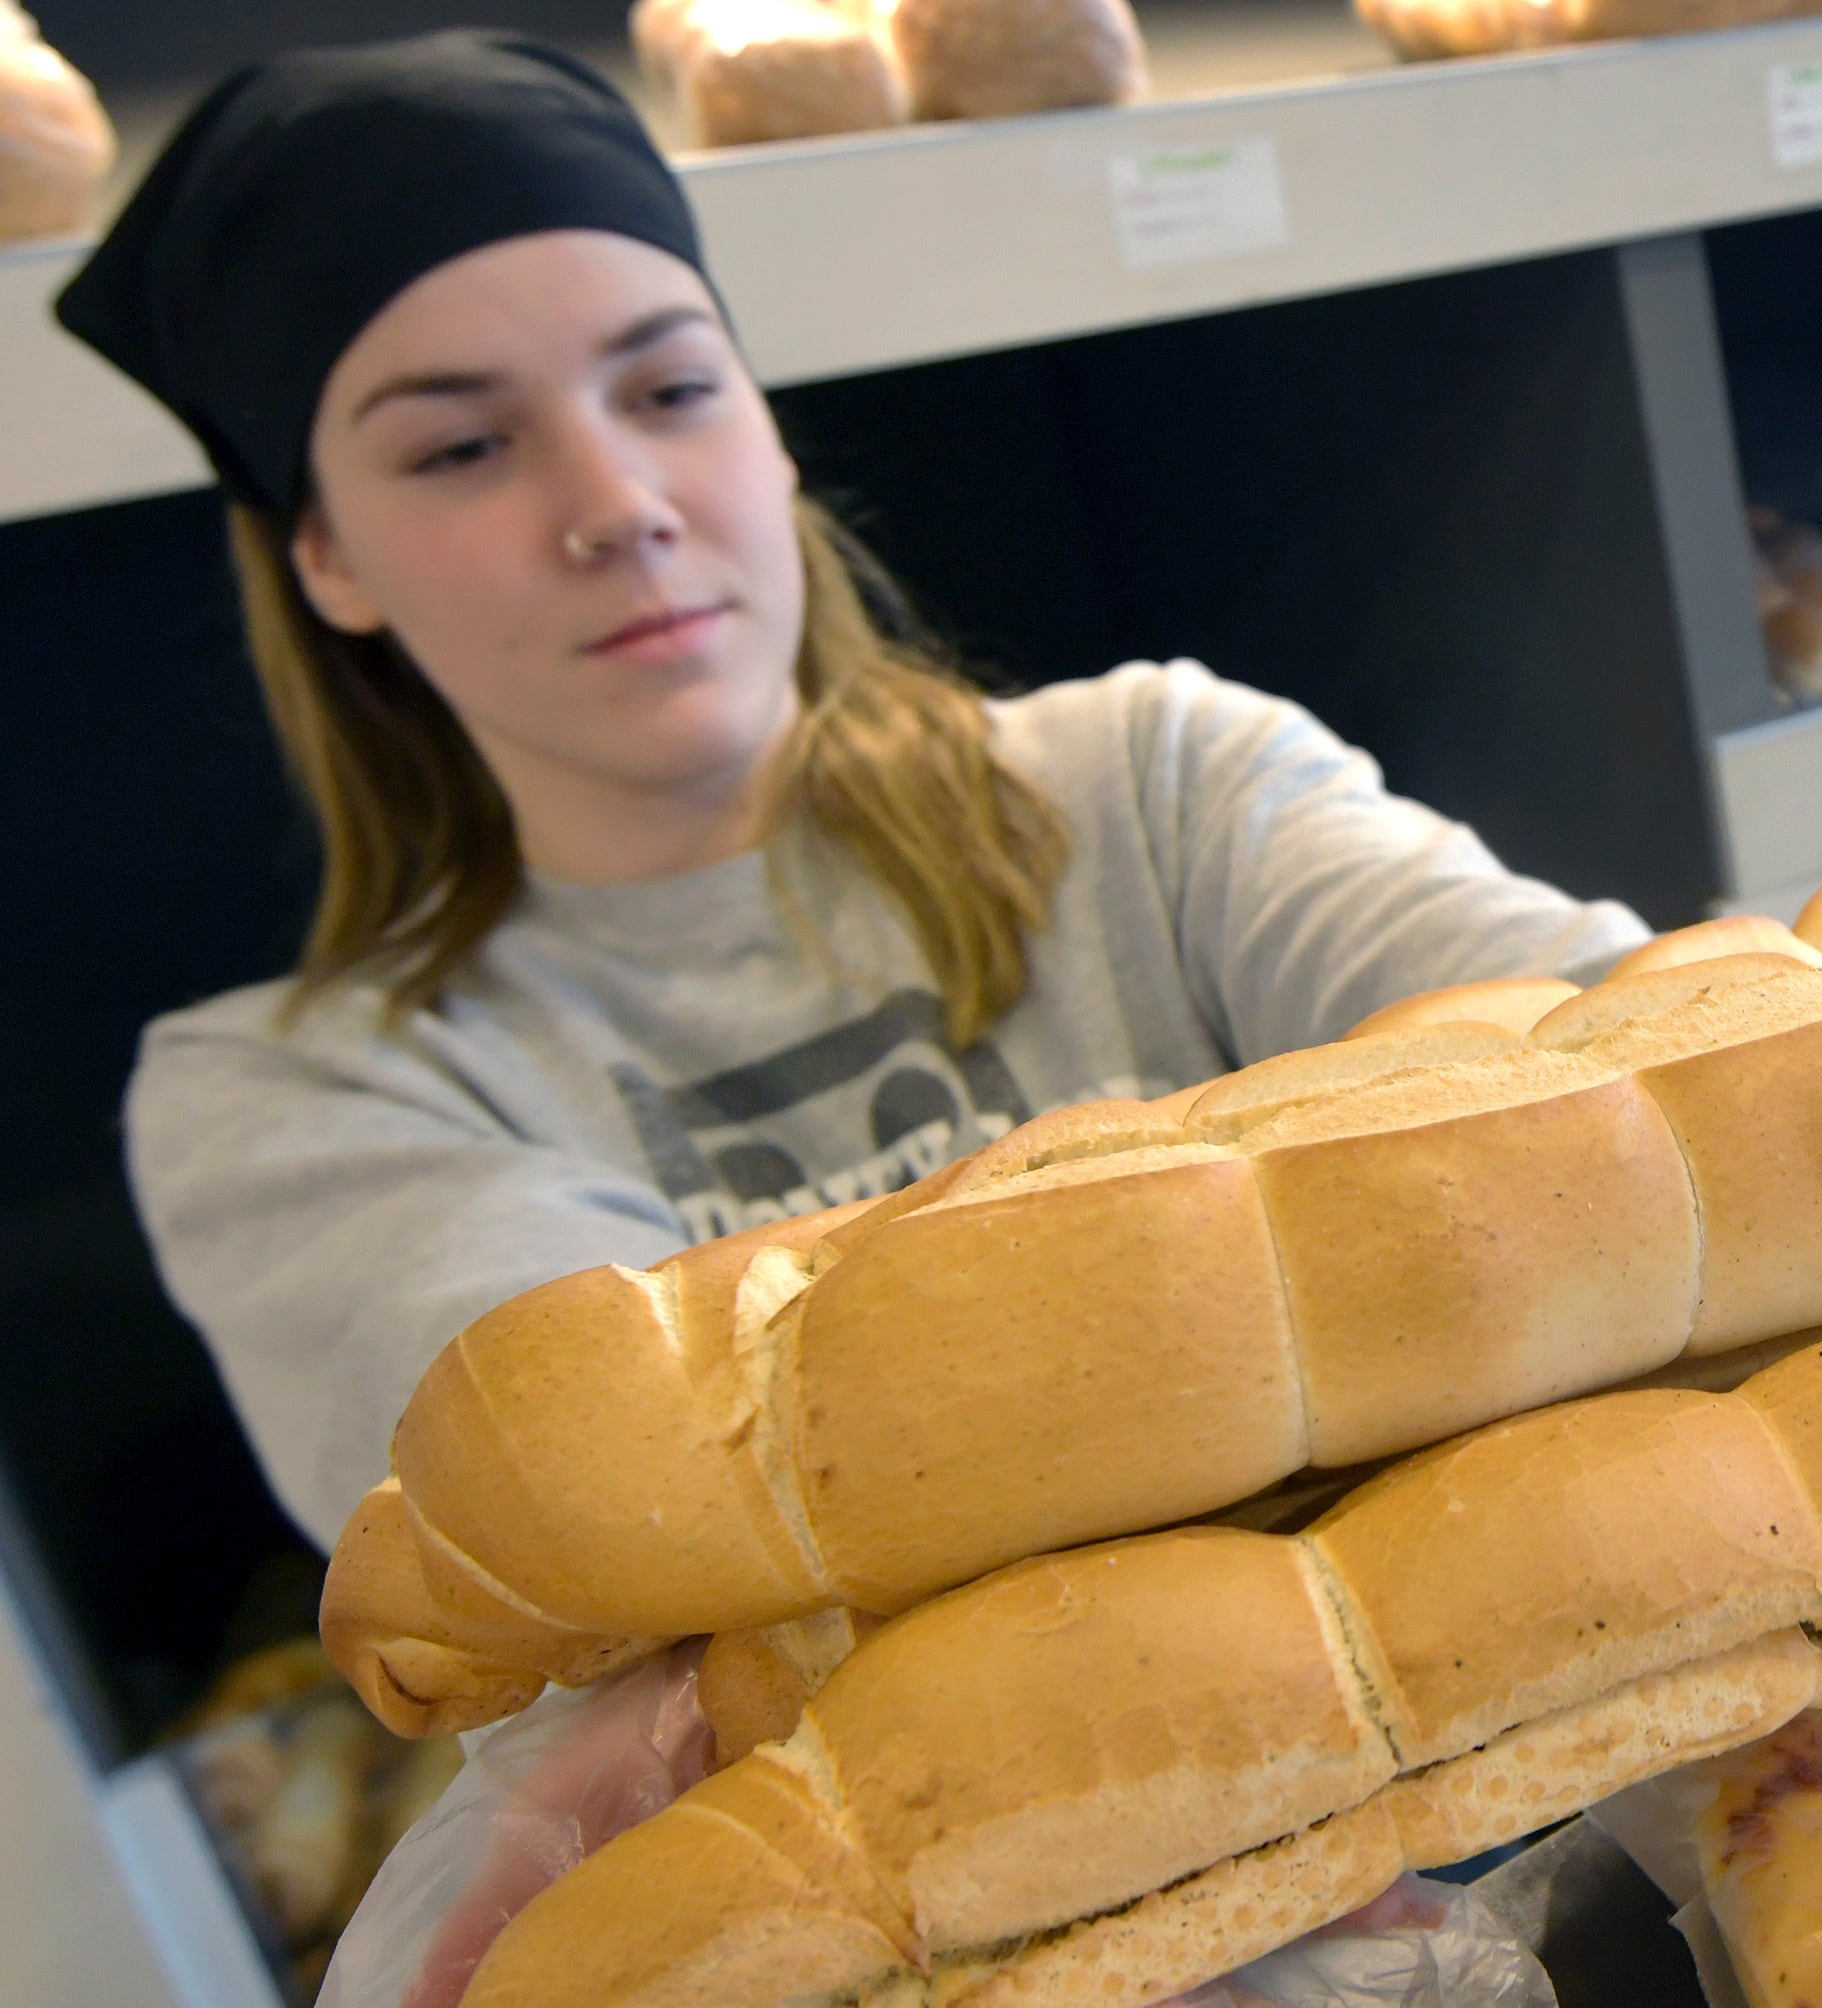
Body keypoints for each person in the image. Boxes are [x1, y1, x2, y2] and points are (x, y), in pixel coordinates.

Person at [58, 34, 1650, 1555]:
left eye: (672, 390)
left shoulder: (1160, 784)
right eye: (465, 446)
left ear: (766, 430)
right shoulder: (295, 1108)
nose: (618, 505)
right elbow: (619, 1530)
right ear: (325, 554)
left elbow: (1621, 1113)